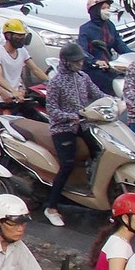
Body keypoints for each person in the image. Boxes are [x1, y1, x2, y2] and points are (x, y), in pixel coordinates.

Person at [42, 42, 106, 226]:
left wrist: (113, 102)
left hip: (84, 125)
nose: (80, 64)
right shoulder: (56, 82)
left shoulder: (83, 77)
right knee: (67, 165)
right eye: (77, 61)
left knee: (100, 152)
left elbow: (98, 94)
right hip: (63, 128)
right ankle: (51, 207)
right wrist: (71, 117)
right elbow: (52, 110)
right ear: (67, 62)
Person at [0, 17, 48, 118]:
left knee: (39, 118)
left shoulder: (22, 51)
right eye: (19, 36)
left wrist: (51, 82)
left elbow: (35, 69)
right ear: (8, 35)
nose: (22, 39)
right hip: (4, 99)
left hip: (20, 98)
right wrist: (13, 91)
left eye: (23, 36)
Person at [79, 0, 127, 94]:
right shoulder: (85, 29)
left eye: (108, 8)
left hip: (110, 66)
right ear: (95, 10)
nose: (107, 10)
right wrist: (95, 61)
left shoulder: (110, 25)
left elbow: (120, 45)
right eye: (103, 8)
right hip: (94, 69)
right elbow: (82, 51)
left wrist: (133, 57)